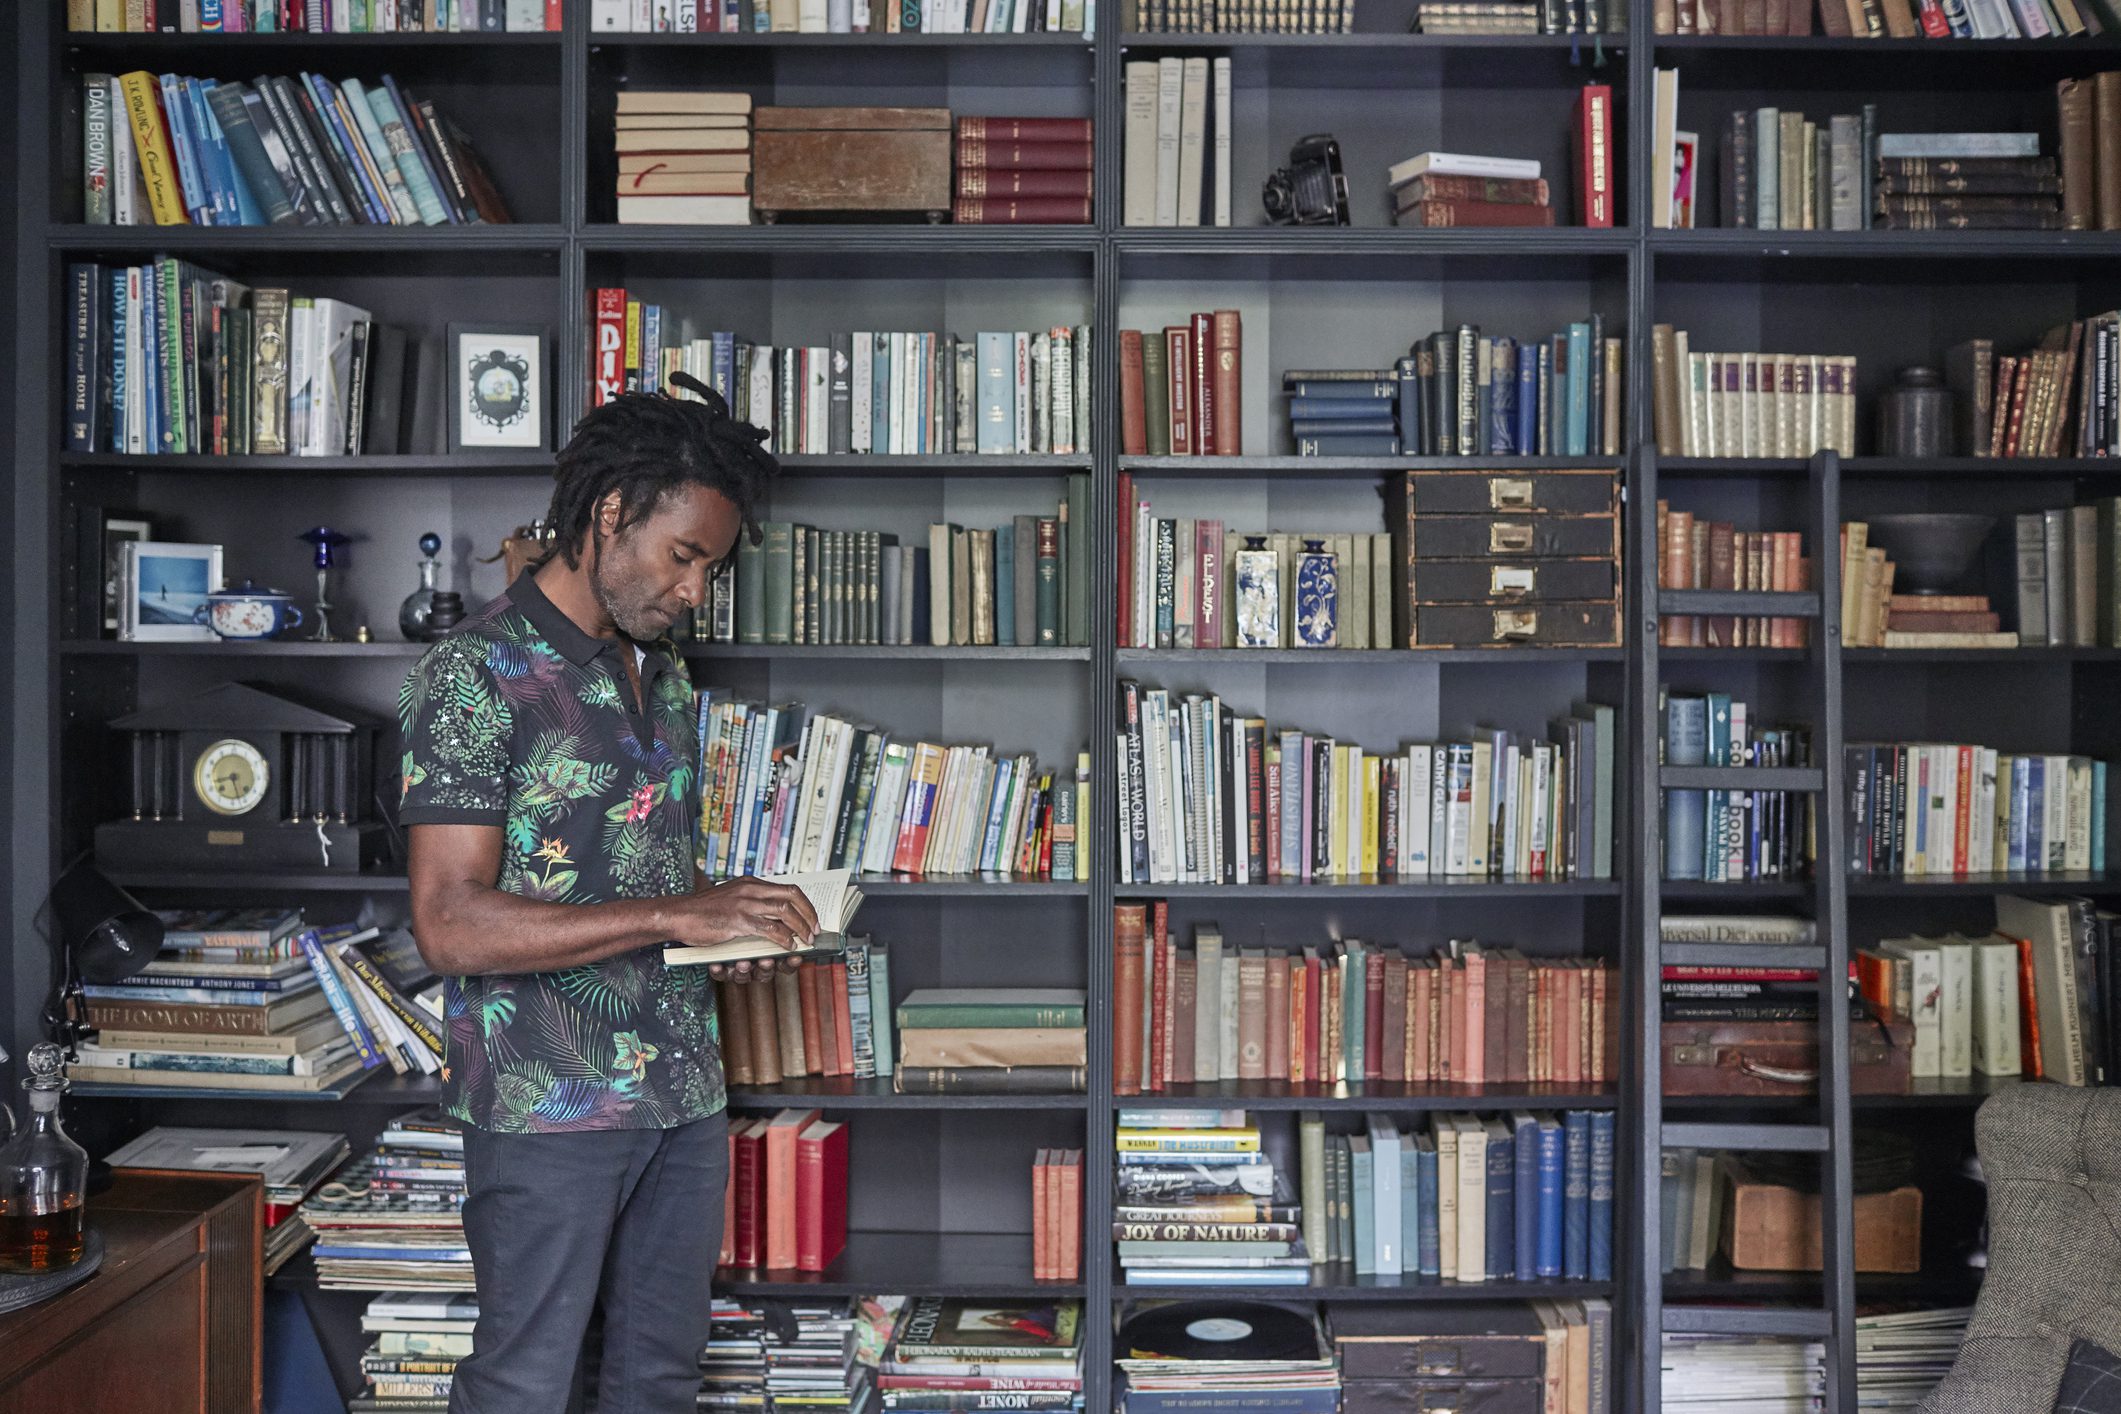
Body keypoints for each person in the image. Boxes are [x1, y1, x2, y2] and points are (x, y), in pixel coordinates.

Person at [398, 373, 818, 1414]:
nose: (695, 592)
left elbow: (631, 874)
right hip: (548, 1105)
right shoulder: (473, 673)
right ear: (610, 515)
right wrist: (679, 913)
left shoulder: (660, 672)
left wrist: (728, 918)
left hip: (682, 1092)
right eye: (684, 558)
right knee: (525, 1385)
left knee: (657, 1383)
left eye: (710, 568)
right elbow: (449, 921)